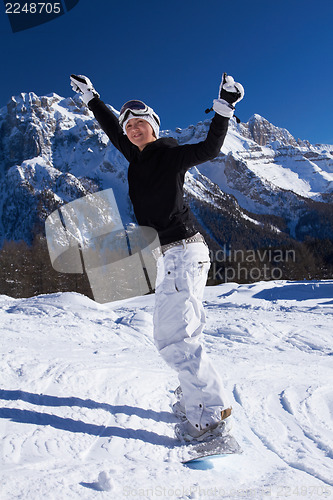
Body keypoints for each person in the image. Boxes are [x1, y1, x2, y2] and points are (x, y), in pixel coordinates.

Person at [70, 72, 244, 443]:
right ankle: (196, 398)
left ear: (154, 126)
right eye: (128, 126)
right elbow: (111, 130)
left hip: (182, 250)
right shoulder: (136, 156)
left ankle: (210, 418)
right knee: (177, 332)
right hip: (174, 255)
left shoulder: (169, 154)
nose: (132, 130)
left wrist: (224, 107)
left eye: (139, 124)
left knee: (175, 337)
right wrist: (92, 100)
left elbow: (210, 149)